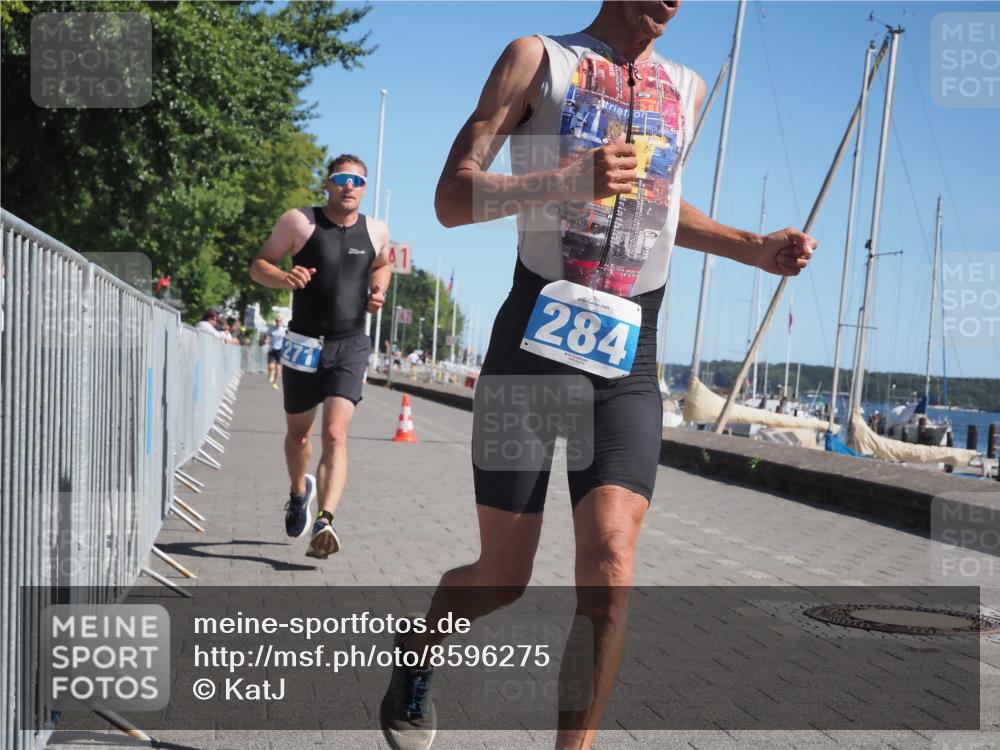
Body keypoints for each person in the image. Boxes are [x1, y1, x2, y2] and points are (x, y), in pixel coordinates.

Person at [379, 3, 817, 749]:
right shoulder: (535, 59)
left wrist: (753, 246)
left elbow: (662, 203)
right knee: (502, 578)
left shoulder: (687, 86)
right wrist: (564, 180)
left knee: (611, 564)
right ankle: (420, 649)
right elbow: (452, 200)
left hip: (628, 357)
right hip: (532, 344)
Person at [249, 155, 390, 558]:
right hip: (302, 341)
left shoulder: (376, 230)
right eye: (342, 179)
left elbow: (383, 266)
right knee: (300, 435)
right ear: (328, 183)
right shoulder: (299, 222)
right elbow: (259, 266)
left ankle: (325, 520)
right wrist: (282, 277)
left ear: (365, 187)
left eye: (358, 181)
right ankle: (299, 493)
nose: (350, 186)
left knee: (335, 434)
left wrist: (378, 291)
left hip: (350, 343)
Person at [266, 316, 288, 389]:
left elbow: (287, 339)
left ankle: (275, 383)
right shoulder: (271, 329)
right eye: (277, 321)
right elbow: (268, 337)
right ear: (275, 321)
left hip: (280, 350)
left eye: (280, 321)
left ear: (282, 322)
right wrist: (266, 342)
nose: (278, 323)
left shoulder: (285, 330)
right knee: (271, 367)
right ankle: (271, 373)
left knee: (278, 369)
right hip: (272, 349)